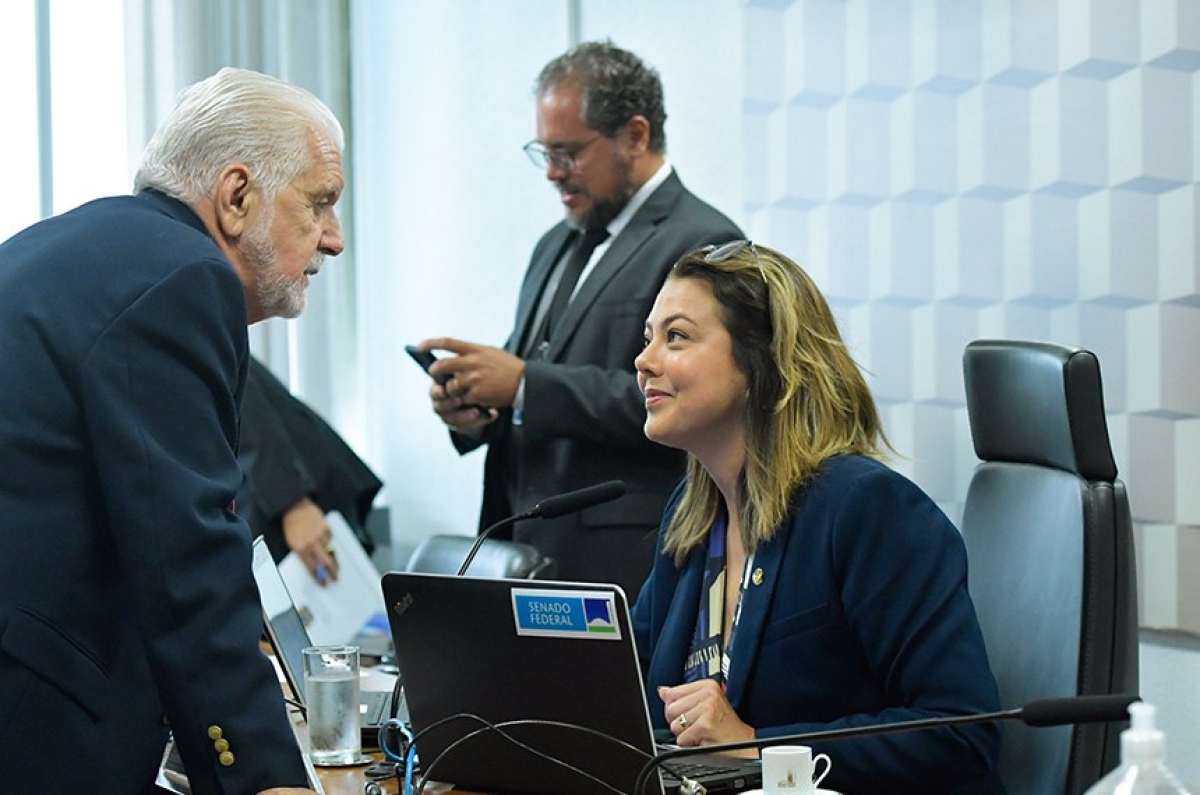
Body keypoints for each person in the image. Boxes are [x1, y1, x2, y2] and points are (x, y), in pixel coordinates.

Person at [0, 68, 345, 794]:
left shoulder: (80, 244)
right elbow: (186, 556)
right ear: (237, 195)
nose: (334, 239)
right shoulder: (185, 277)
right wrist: (266, 777)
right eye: (320, 202)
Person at [631, 241, 1005, 794]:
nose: (644, 361)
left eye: (677, 337)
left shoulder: (866, 507)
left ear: (761, 361)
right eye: (649, 338)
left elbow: (961, 730)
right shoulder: (692, 515)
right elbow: (629, 691)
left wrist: (759, 746)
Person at [417, 40, 742, 598]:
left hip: (621, 561)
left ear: (634, 136)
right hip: (518, 549)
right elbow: (531, 380)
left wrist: (525, 385)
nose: (551, 172)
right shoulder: (555, 242)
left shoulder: (704, 241)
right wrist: (477, 410)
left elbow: (699, 402)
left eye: (567, 153)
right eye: (543, 152)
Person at [237, 355, 383, 584]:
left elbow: (244, 401)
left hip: (289, 501)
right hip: (271, 496)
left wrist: (294, 504)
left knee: (327, 589)